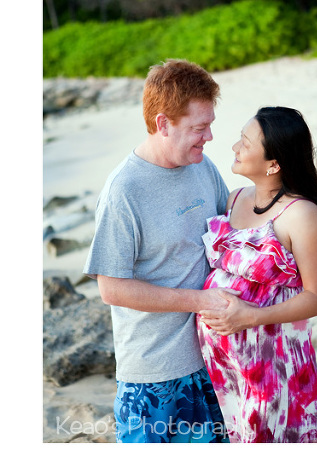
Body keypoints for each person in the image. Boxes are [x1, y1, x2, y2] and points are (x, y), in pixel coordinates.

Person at [83, 59, 234, 442]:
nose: (210, 137)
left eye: (210, 125)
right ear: (163, 123)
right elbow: (112, 289)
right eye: (200, 128)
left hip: (211, 360)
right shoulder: (124, 191)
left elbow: (231, 229)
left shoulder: (201, 166)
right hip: (153, 376)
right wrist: (200, 300)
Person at [196, 106, 317, 443]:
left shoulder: (301, 214)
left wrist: (251, 317)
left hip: (274, 367)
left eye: (245, 142)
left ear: (274, 164)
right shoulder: (233, 199)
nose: (234, 148)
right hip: (224, 366)